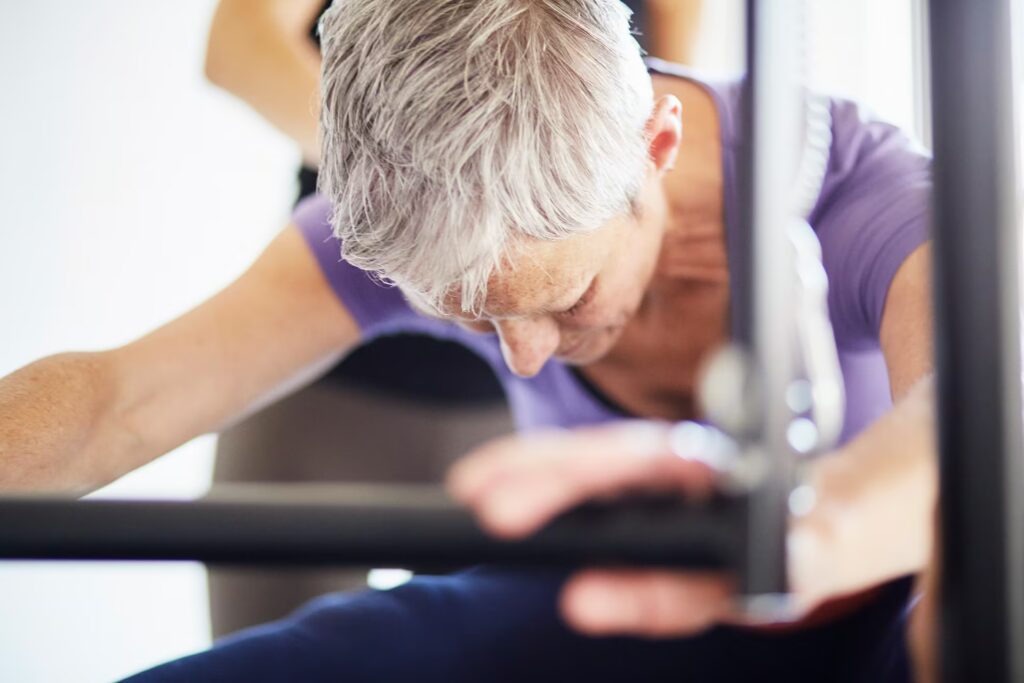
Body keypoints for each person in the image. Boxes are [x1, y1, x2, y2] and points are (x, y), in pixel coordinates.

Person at [0, 0, 934, 680]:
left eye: (564, 300)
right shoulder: (430, 222)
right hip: (600, 605)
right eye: (474, 320)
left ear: (654, 145)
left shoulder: (870, 190)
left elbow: (971, 409)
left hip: (864, 607)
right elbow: (117, 402)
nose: (521, 357)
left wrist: (804, 536)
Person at [201, 0, 707, 637]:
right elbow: (238, 43)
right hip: (324, 383)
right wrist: (423, 192)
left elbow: (667, 79)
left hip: (538, 407)